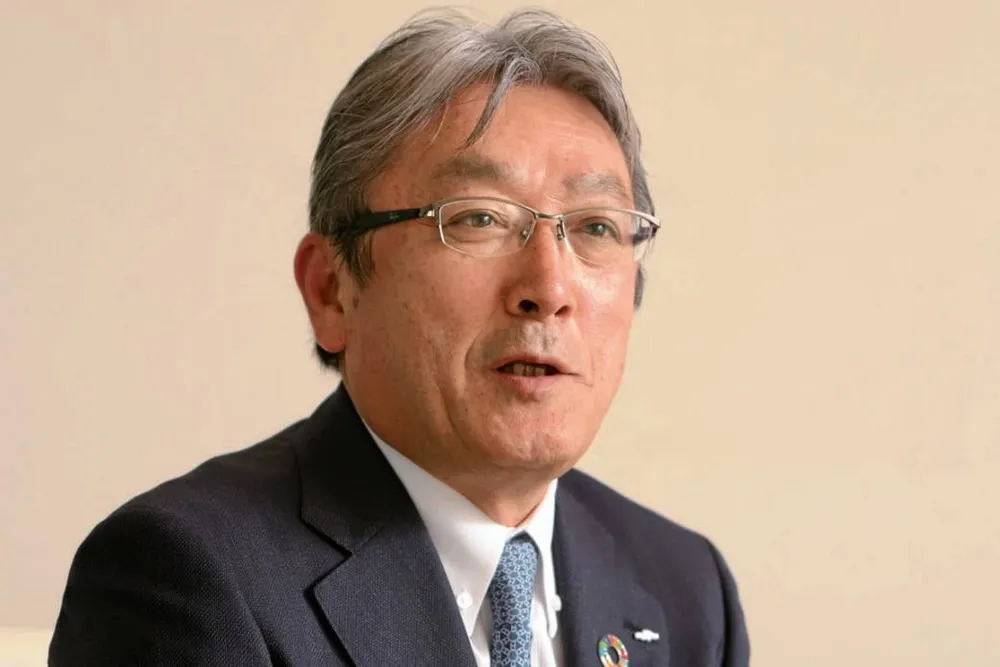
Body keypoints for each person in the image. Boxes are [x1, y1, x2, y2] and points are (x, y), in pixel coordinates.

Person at [49, 7, 749, 667]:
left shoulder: (685, 587)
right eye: (478, 218)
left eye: (596, 226)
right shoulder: (185, 576)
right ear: (331, 289)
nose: (550, 286)